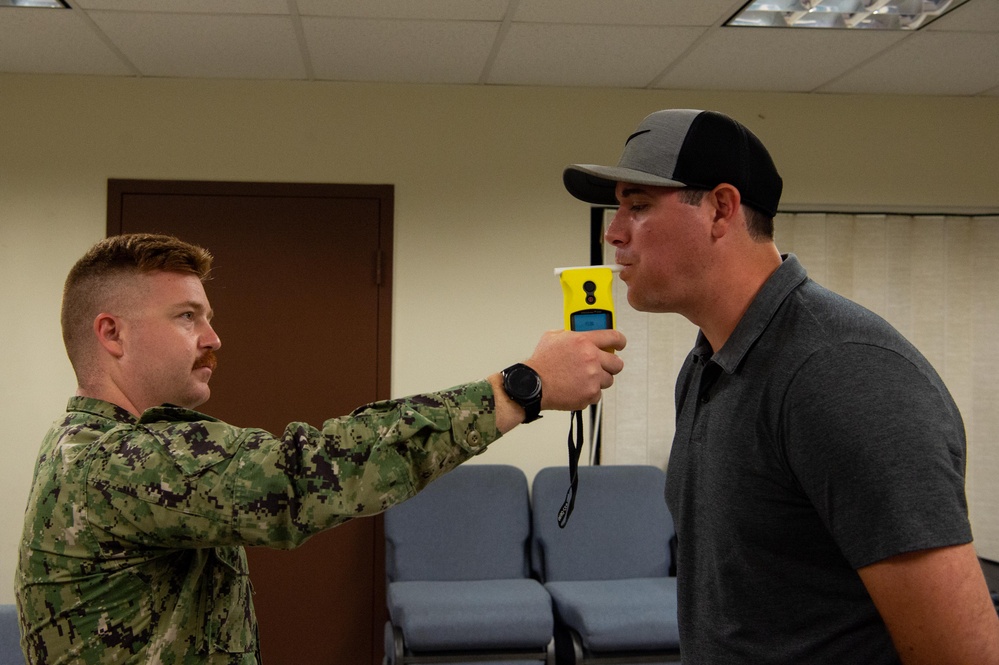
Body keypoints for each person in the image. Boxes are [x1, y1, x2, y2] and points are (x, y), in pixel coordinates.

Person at [15, 233, 627, 664]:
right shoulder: (108, 462)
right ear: (111, 333)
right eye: (186, 316)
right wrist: (520, 388)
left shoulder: (91, 446)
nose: (213, 337)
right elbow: (298, 479)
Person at [562, 109, 999, 664]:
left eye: (639, 206)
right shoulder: (706, 366)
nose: (614, 231)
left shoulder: (843, 373)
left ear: (721, 209)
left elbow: (962, 653)